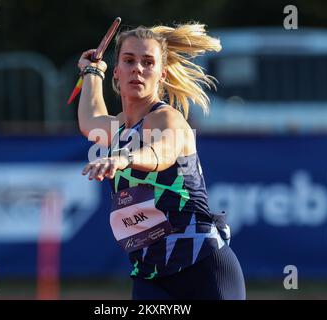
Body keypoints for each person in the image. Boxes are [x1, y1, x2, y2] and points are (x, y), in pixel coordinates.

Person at [79, 22, 246, 300]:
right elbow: (89, 120)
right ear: (117, 72)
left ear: (161, 74)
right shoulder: (118, 128)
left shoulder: (166, 118)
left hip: (202, 267)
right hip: (151, 275)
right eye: (129, 61)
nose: (138, 69)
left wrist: (123, 158)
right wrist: (92, 72)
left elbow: (161, 153)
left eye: (148, 62)